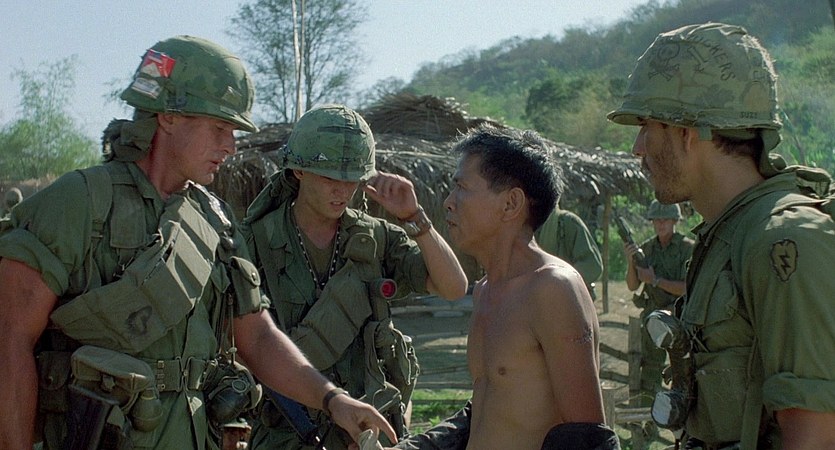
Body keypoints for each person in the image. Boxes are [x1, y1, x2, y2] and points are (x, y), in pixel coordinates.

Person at [0, 36, 396, 450]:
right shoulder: (78, 203)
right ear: (169, 116)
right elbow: (10, 341)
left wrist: (332, 400)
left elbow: (257, 336)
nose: (230, 146)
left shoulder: (215, 221)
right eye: (219, 128)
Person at [608, 23, 835, 449]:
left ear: (685, 133)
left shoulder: (782, 241)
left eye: (647, 127)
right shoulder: (727, 235)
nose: (638, 147)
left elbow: (817, 436)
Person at [241, 104, 468, 449]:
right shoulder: (254, 241)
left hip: (366, 433)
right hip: (287, 433)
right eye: (330, 178)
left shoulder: (376, 239)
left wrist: (415, 218)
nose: (342, 191)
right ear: (299, 171)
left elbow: (453, 287)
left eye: (352, 180)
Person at [394, 125, 619, 450]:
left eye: (462, 188)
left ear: (511, 203)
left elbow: (587, 438)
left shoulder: (553, 289)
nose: (448, 203)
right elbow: (490, 408)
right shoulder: (486, 290)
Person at [623, 200, 693, 407]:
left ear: (675, 221)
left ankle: (681, 416)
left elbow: (688, 288)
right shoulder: (647, 248)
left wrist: (655, 281)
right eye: (657, 220)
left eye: (666, 219)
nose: (661, 224)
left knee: (683, 370)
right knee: (651, 370)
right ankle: (648, 417)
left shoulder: (687, 248)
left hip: (681, 318)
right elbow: (632, 285)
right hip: (653, 319)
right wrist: (630, 261)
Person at [535, 205, 603, 298]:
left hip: (567, 300)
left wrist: (558, 283)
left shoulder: (568, 223)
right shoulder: (522, 228)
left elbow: (592, 266)